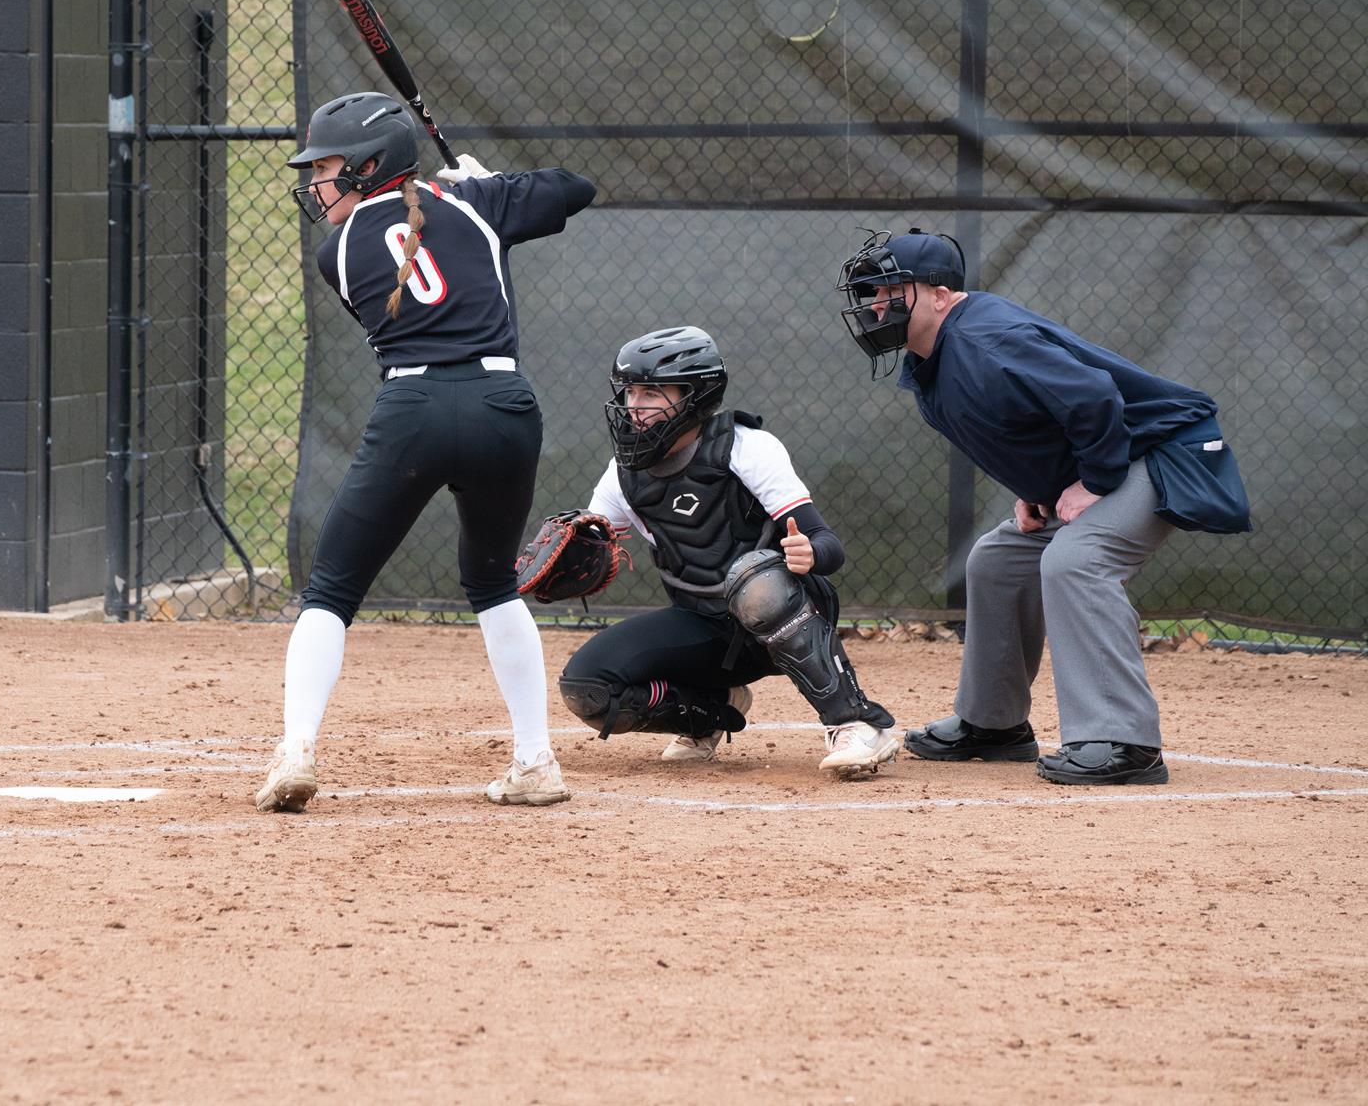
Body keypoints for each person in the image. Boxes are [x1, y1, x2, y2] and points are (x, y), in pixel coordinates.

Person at [253, 92, 597, 812]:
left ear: (371, 166)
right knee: (494, 581)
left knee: (332, 590)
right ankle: (535, 760)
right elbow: (575, 189)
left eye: (330, 166)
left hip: (413, 411)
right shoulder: (472, 204)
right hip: (506, 408)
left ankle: (295, 752)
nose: (317, 182)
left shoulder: (334, 254)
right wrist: (485, 187)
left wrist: (462, 195)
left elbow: (419, 253)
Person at [837, 228, 1252, 786]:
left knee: (1077, 560)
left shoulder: (985, 337)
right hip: (1109, 458)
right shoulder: (934, 356)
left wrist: (1096, 481)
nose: (877, 304)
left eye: (893, 290)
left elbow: (1092, 396)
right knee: (997, 560)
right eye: (872, 293)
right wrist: (1038, 485)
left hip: (1160, 451)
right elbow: (1024, 419)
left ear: (940, 295)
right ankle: (993, 725)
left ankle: (1125, 742)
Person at [549, 327, 901, 778]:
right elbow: (597, 542)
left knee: (757, 580)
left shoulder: (746, 447)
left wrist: (808, 552)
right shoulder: (624, 472)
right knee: (587, 688)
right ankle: (711, 711)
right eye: (630, 390)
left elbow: (829, 546)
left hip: (790, 610)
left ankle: (856, 722)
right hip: (706, 627)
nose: (634, 405)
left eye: (652, 392)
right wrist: (575, 556)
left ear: (696, 394)